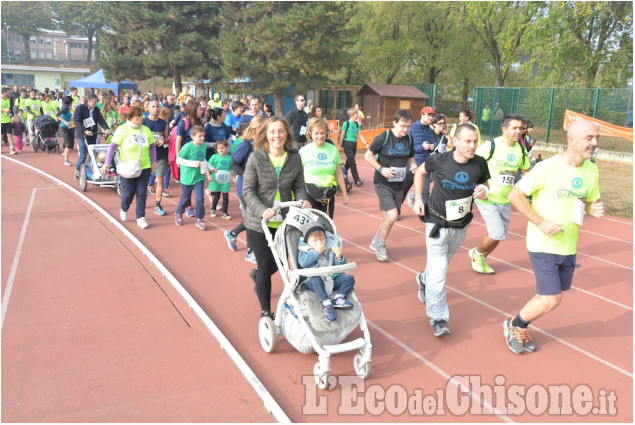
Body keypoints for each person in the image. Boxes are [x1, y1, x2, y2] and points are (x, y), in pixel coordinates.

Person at [503, 119, 604, 354]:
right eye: (589, 138)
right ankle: (514, 326)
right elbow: (515, 195)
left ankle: (517, 324)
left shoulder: (591, 169)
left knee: (546, 296)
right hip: (543, 242)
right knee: (552, 299)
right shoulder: (547, 168)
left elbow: (586, 202)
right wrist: (541, 222)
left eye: (596, 138)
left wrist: (593, 209)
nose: (595, 143)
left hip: (568, 244)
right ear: (571, 140)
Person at [412, 123, 490, 337]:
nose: (472, 146)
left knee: (440, 267)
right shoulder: (439, 160)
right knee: (440, 273)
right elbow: (420, 173)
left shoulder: (480, 163)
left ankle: (423, 279)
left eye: (475, 141)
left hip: (461, 226)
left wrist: (483, 189)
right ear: (455, 141)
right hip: (436, 223)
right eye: (467, 141)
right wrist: (419, 198)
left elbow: (485, 184)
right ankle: (438, 318)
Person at [242, 116, 311, 320]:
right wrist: (263, 209)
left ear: (286, 134)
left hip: (284, 222)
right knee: (265, 265)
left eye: (280, 131)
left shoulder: (294, 158)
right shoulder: (256, 158)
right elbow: (248, 190)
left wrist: (302, 201)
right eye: (272, 131)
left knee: (279, 264)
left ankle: (258, 276)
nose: (276, 135)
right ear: (265, 134)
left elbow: (299, 186)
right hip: (259, 223)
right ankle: (266, 312)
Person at [469, 114, 532, 274]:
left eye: (521, 128)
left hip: (506, 199)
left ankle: (480, 256)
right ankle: (477, 253)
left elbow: (525, 170)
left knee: (500, 235)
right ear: (504, 129)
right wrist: (478, 186)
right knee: (496, 232)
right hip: (487, 197)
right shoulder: (490, 146)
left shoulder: (521, 149)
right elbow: (473, 165)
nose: (519, 131)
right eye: (515, 128)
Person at [364, 110, 417, 262]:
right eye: (402, 126)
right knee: (393, 215)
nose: (405, 129)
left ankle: (375, 240)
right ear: (394, 122)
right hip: (382, 182)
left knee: (389, 217)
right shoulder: (384, 137)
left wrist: (414, 167)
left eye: (408, 126)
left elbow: (411, 159)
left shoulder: (409, 140)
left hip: (399, 183)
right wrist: (382, 169)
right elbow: (368, 155)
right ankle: (380, 244)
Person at [101, 106, 156, 229]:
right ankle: (124, 208)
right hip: (127, 167)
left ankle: (141, 217)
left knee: (142, 193)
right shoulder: (123, 129)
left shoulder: (146, 130)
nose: (141, 118)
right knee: (129, 192)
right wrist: (107, 163)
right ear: (131, 117)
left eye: (142, 115)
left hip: (144, 166)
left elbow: (152, 147)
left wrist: (153, 162)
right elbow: (112, 146)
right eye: (138, 116)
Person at [224, 116, 266, 263]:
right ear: (256, 129)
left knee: (253, 217)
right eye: (264, 128)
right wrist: (247, 176)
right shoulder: (246, 145)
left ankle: (232, 233)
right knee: (254, 218)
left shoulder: (262, 145)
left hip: (259, 186)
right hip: (245, 187)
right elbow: (234, 164)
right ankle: (250, 251)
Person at [298, 221, 355, 322]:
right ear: (307, 242)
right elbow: (303, 263)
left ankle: (338, 297)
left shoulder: (329, 250)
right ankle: (327, 303)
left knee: (349, 279)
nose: (319, 242)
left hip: (330, 279)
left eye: (322, 239)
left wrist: (338, 256)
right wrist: (316, 253)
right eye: (315, 241)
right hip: (313, 281)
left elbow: (340, 266)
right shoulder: (304, 251)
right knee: (316, 279)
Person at [300, 117, 349, 218]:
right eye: (316, 133)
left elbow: (338, 173)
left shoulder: (332, 149)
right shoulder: (304, 151)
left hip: (328, 194)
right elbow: (297, 175)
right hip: (310, 193)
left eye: (322, 133)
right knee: (312, 227)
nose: (320, 136)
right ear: (311, 134)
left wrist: (344, 192)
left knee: (327, 226)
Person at [174, 125, 212, 230]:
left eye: (203, 136)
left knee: (200, 198)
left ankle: (200, 219)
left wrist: (210, 168)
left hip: (199, 177)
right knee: (185, 199)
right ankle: (178, 213)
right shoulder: (187, 147)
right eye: (199, 136)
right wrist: (192, 163)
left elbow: (203, 159)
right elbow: (179, 160)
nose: (202, 138)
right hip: (187, 177)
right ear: (192, 136)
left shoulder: (203, 146)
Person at [402, 106, 437, 208]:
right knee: (403, 189)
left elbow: (430, 148)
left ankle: (426, 216)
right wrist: (422, 147)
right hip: (411, 165)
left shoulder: (431, 131)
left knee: (425, 192)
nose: (431, 118)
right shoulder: (411, 128)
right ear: (422, 115)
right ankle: (396, 209)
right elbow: (406, 147)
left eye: (432, 116)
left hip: (425, 166)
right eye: (429, 115)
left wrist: (431, 148)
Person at [175, 100, 205, 217]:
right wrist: (178, 158)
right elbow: (178, 141)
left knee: (199, 192)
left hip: (198, 156)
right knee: (186, 190)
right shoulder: (183, 123)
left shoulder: (200, 123)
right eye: (199, 109)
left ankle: (198, 216)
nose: (201, 111)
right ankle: (186, 207)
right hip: (186, 157)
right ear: (193, 110)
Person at [142, 99, 170, 216]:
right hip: (145, 155)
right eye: (153, 106)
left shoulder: (163, 123)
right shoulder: (143, 122)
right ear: (148, 108)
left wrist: (163, 141)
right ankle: (141, 201)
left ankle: (158, 205)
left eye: (157, 106)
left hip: (160, 154)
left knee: (159, 179)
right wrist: (149, 142)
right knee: (143, 180)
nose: (156, 109)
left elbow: (167, 138)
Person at [74, 93, 110, 179]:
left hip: (93, 134)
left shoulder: (96, 109)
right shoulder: (80, 108)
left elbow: (101, 120)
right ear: (88, 101)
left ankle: (91, 172)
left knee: (93, 155)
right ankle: (78, 170)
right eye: (94, 102)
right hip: (82, 135)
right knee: (83, 155)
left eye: (96, 102)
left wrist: (106, 129)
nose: (96, 103)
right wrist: (85, 130)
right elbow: (77, 121)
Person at [339, 107, 369, 187]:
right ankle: (357, 180)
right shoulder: (346, 123)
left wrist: (366, 143)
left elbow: (360, 135)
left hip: (354, 144)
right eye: (356, 114)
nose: (358, 115)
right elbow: (342, 135)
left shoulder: (356, 124)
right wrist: (339, 146)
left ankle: (342, 173)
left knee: (349, 162)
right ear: (352, 115)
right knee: (352, 162)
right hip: (347, 144)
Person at [206, 139, 232, 220]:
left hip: (225, 181)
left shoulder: (229, 158)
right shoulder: (214, 157)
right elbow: (207, 166)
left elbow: (231, 168)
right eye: (219, 148)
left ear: (227, 148)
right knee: (216, 196)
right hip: (215, 180)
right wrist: (208, 176)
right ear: (216, 149)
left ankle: (225, 212)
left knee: (225, 197)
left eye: (222, 148)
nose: (221, 150)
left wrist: (232, 172)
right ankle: (213, 209)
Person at [57, 96, 75, 166]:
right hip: (64, 127)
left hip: (70, 126)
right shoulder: (65, 107)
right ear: (70, 102)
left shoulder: (68, 108)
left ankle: (65, 152)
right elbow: (57, 115)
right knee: (69, 143)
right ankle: (66, 160)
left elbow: (68, 117)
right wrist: (64, 121)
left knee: (72, 144)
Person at [1, 87, 16, 154]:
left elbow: (9, 110)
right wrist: (4, 110)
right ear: (4, 92)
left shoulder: (8, 100)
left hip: (8, 120)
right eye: (8, 93)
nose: (10, 94)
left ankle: (12, 148)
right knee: (1, 135)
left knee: (9, 135)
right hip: (1, 121)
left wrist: (11, 116)